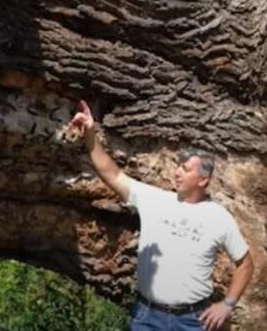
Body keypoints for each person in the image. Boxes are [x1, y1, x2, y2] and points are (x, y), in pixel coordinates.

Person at [70, 100, 254, 331]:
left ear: (203, 180)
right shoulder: (155, 200)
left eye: (185, 169)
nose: (176, 172)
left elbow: (246, 264)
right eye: (178, 166)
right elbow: (112, 175)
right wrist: (90, 135)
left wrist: (227, 304)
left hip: (193, 320)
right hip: (147, 317)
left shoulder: (219, 217)